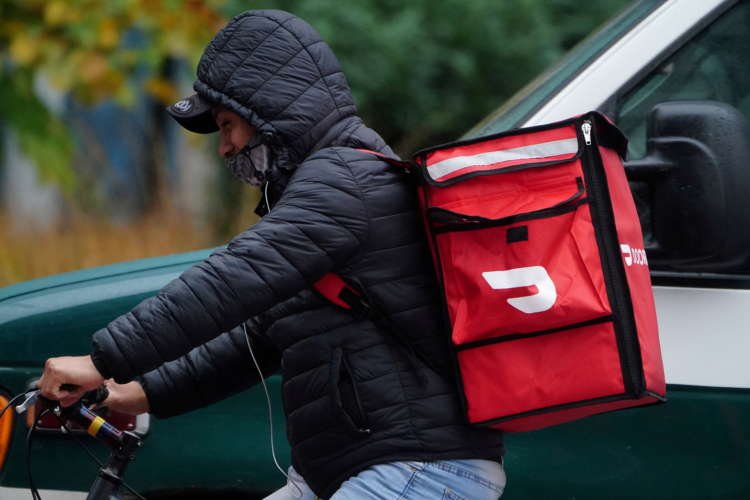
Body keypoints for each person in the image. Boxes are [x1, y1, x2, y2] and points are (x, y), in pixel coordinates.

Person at [38, 9, 506, 499]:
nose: (225, 148)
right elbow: (254, 339)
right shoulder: (329, 191)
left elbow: (231, 280)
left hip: (419, 471)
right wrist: (132, 392)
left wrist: (101, 360)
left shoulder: (344, 181)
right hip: (355, 472)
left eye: (226, 125)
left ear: (267, 111)